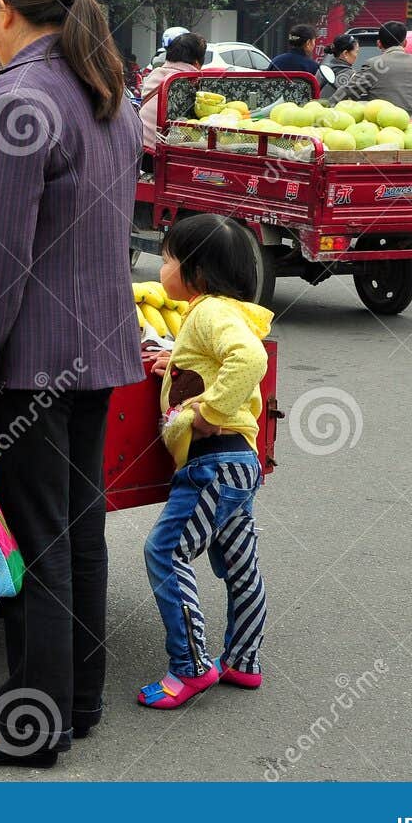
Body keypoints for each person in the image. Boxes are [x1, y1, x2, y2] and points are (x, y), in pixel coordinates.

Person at [0, 0, 143, 769]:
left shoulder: (18, 98)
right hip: (97, 348)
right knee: (78, 531)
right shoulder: (109, 94)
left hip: (30, 361)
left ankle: (30, 725)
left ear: (4, 12)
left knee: (38, 541)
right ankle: (78, 702)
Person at [139, 213, 271, 710]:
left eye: (169, 257)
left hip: (211, 462)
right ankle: (243, 659)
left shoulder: (208, 312)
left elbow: (250, 359)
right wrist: (173, 364)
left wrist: (210, 411)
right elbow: (213, 361)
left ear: (196, 274)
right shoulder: (223, 311)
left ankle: (191, 666)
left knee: (164, 552)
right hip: (239, 462)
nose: (162, 265)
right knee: (239, 563)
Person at [338, 21, 412, 115]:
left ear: (379, 43)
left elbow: (348, 92)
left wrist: (328, 107)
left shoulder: (373, 65)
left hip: (382, 126)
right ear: (405, 43)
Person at [138, 29, 205, 158]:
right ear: (197, 63)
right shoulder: (189, 83)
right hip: (159, 156)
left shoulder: (155, 74)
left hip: (140, 149)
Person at [318, 34, 359, 98]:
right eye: (356, 52)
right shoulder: (351, 75)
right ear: (345, 53)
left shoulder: (321, 70)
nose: (357, 55)